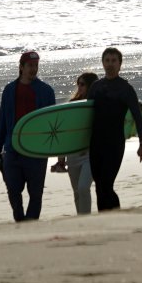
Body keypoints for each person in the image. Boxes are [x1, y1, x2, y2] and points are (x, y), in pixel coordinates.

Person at [0, 50, 55, 222]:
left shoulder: (46, 91)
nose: (33, 69)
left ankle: (31, 223)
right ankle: (19, 219)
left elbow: (53, 124)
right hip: (12, 148)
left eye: (36, 66)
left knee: (35, 192)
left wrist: (55, 150)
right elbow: (3, 120)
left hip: (37, 150)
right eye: (30, 66)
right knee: (13, 188)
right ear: (21, 67)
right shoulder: (10, 90)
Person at [87, 47, 142, 211]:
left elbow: (138, 118)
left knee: (106, 184)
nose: (110, 64)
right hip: (95, 143)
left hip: (114, 143)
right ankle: (105, 218)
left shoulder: (125, 89)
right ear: (102, 63)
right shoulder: (95, 87)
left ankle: (115, 216)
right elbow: (85, 116)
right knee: (99, 186)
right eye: (107, 60)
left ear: (120, 64)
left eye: (114, 61)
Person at [54, 71, 98, 215]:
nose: (79, 87)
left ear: (91, 86)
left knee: (84, 187)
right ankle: (81, 220)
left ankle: (86, 220)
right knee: (77, 192)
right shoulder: (71, 106)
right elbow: (64, 133)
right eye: (78, 84)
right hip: (72, 155)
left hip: (90, 155)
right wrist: (61, 158)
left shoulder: (98, 105)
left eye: (82, 84)